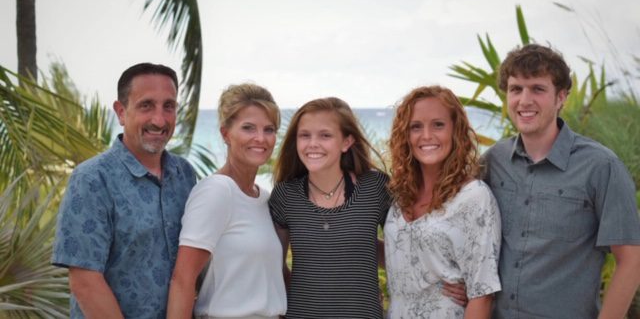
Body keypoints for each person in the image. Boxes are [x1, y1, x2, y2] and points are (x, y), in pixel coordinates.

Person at [484, 44, 640, 318]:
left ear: (561, 97)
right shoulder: (493, 161)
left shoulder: (601, 167)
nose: (524, 100)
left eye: (538, 89)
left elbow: (632, 259)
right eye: (516, 89)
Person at [52, 63, 197, 318]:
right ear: (121, 112)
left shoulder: (185, 174)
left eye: (169, 106)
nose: (159, 119)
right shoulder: (92, 179)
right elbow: (85, 282)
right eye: (146, 105)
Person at [167, 83, 286, 319]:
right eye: (248, 128)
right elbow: (183, 279)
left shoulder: (263, 197)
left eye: (269, 129)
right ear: (225, 134)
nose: (260, 138)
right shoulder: (216, 191)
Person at [384, 86, 502, 319]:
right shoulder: (401, 195)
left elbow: (482, 293)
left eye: (438, 125)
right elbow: (403, 250)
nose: (426, 135)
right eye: (416, 127)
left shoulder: (473, 197)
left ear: (455, 130)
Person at [268, 97, 391, 319]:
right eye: (305, 135)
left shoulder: (375, 188)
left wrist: (440, 280)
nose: (313, 143)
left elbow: (403, 248)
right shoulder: (285, 195)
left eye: (325, 135)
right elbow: (274, 266)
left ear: (346, 142)